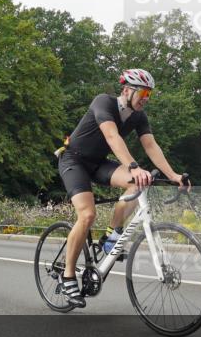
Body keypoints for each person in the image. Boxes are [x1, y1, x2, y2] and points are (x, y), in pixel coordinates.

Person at [56, 69, 188, 308]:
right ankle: (67, 276)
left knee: (137, 184)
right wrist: (134, 166)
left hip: (97, 163)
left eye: (150, 94)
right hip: (73, 160)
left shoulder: (139, 116)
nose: (146, 98)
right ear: (127, 90)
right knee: (86, 215)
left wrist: (174, 176)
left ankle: (112, 234)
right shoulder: (103, 102)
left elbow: (150, 145)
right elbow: (112, 137)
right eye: (143, 92)